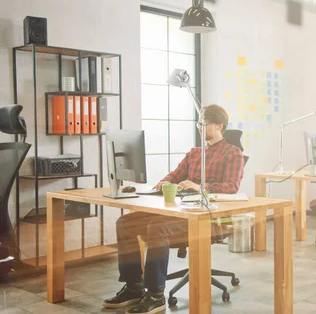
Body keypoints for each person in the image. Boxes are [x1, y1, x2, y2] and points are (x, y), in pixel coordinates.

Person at [102, 104, 245, 314]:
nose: (198, 127)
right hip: (182, 211)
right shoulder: (195, 153)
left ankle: (156, 295)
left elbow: (232, 187)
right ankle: (133, 287)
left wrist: (201, 186)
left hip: (208, 218)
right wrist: (164, 183)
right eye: (197, 123)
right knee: (126, 223)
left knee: (157, 227)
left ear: (219, 125)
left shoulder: (233, 154)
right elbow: (173, 175)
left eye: (203, 124)